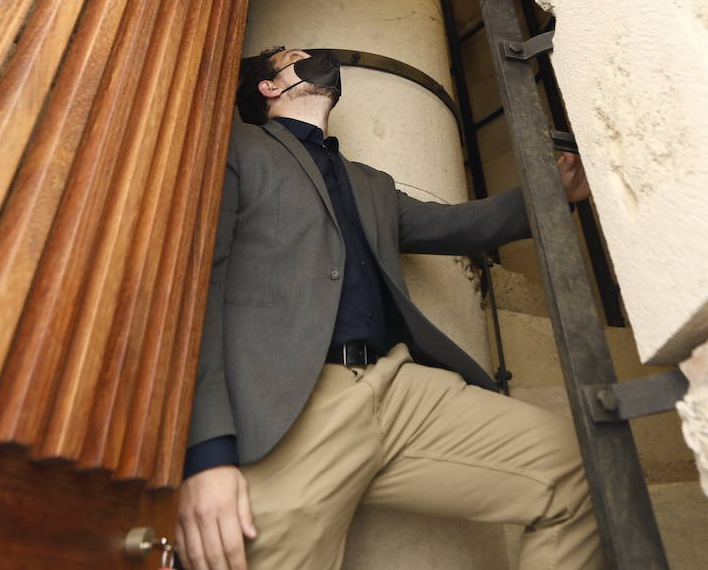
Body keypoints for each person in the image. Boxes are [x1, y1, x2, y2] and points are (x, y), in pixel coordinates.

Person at [175, 47, 602, 570]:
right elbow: (195, 289)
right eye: (297, 57)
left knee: (575, 465)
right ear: (268, 86)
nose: (318, 60)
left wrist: (553, 191)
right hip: (286, 409)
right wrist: (205, 453)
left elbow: (460, 226)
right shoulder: (234, 147)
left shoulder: (369, 182)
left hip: (398, 389)